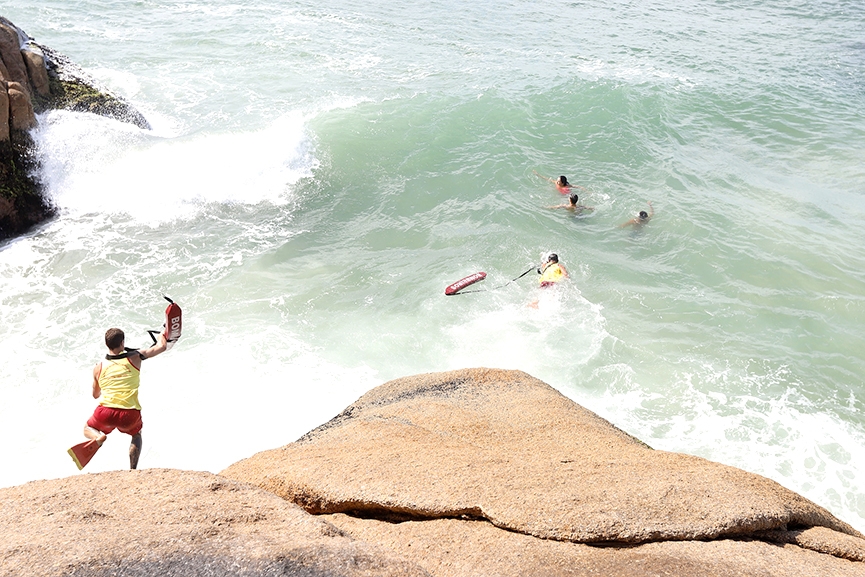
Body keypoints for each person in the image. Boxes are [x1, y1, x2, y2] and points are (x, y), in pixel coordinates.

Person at [80, 327, 168, 469]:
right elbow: (162, 346)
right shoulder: (135, 357)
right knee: (136, 435)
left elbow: (95, 395)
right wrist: (163, 334)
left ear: (106, 344)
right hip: (129, 414)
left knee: (87, 428)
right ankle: (133, 469)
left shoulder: (98, 367)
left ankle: (97, 437)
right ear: (122, 343)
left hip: (105, 412)